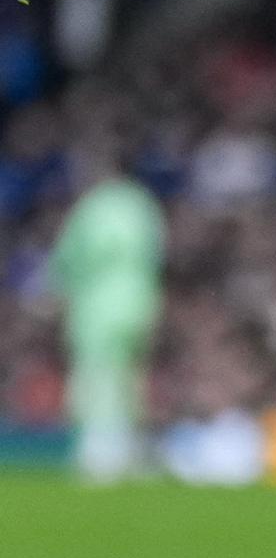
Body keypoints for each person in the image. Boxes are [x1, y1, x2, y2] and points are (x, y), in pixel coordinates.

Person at [51, 158, 164, 484]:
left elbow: (70, 258)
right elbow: (156, 255)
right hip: (141, 300)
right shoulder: (142, 204)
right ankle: (132, 448)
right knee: (132, 375)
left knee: (97, 372)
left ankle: (99, 451)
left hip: (98, 304)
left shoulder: (91, 206)